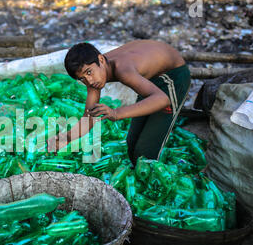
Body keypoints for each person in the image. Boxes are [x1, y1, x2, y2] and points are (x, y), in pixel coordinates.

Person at [47, 40, 191, 166]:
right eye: (82, 79)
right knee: (131, 145)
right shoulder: (95, 77)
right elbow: (89, 117)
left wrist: (116, 113)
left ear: (101, 60)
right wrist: (65, 138)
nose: (89, 81)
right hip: (148, 81)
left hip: (172, 77)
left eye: (89, 72)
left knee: (145, 152)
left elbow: (161, 99)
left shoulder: (123, 70)